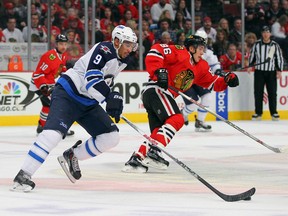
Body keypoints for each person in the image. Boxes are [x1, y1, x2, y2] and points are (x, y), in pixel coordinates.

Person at [11, 25, 138, 192]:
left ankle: (72, 155)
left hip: (87, 102)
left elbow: (101, 83)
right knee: (53, 134)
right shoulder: (104, 49)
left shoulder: (122, 60)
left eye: (132, 45)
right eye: (127, 44)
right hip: (68, 93)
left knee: (111, 137)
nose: (130, 49)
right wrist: (109, 96)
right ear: (116, 41)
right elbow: (91, 78)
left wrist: (113, 101)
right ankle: (23, 175)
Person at [122, 34, 239, 173]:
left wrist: (226, 80)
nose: (203, 52)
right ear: (191, 48)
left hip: (159, 94)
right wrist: (159, 71)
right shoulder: (180, 52)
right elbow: (155, 50)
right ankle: (155, 151)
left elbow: (212, 82)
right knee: (177, 118)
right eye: (200, 48)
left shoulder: (201, 66)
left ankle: (136, 159)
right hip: (157, 89)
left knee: (158, 132)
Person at [29, 34, 74, 136]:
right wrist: (43, 87)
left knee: (47, 105)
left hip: (49, 83)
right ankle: (58, 127)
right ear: (56, 44)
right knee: (56, 105)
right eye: (61, 44)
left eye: (65, 44)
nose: (63, 46)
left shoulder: (63, 55)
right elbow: (38, 73)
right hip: (39, 83)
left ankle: (42, 126)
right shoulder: (50, 56)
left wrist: (66, 78)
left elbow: (62, 69)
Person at [181, 30, 222, 132]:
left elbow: (214, 64)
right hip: (187, 80)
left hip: (200, 80)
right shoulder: (186, 51)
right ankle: (183, 114)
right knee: (192, 105)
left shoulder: (208, 52)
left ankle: (200, 121)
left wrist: (218, 71)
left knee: (207, 97)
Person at [248, 25, 284, 121]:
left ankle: (274, 113)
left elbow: (279, 58)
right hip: (259, 71)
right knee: (258, 92)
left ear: (270, 34)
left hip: (271, 72)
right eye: (264, 32)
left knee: (272, 93)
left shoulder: (274, 45)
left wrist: (279, 70)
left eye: (267, 32)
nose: (265, 34)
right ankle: (258, 113)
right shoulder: (257, 44)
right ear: (261, 33)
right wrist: (250, 65)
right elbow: (252, 55)